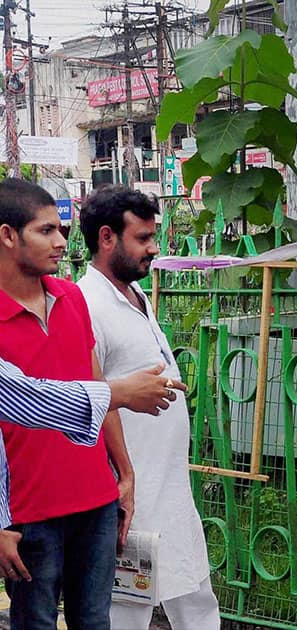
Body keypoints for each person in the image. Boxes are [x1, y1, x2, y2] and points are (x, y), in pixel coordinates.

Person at [78, 185, 221, 630]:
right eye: (143, 238)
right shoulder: (88, 304)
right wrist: (123, 475)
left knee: (195, 591)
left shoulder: (134, 296)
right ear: (107, 238)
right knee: (128, 607)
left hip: (170, 482)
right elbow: (93, 393)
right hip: (131, 489)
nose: (154, 249)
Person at [0, 178, 134, 629]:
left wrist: (124, 471)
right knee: (34, 623)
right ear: (7, 235)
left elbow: (95, 384)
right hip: (28, 512)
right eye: (46, 231)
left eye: (62, 229)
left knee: (95, 621)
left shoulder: (71, 297)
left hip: (94, 500)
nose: (61, 243)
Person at [0, 357, 185, 582]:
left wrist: (125, 474)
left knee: (94, 614)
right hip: (34, 506)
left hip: (94, 500)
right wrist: (123, 392)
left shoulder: (77, 320)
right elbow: (28, 398)